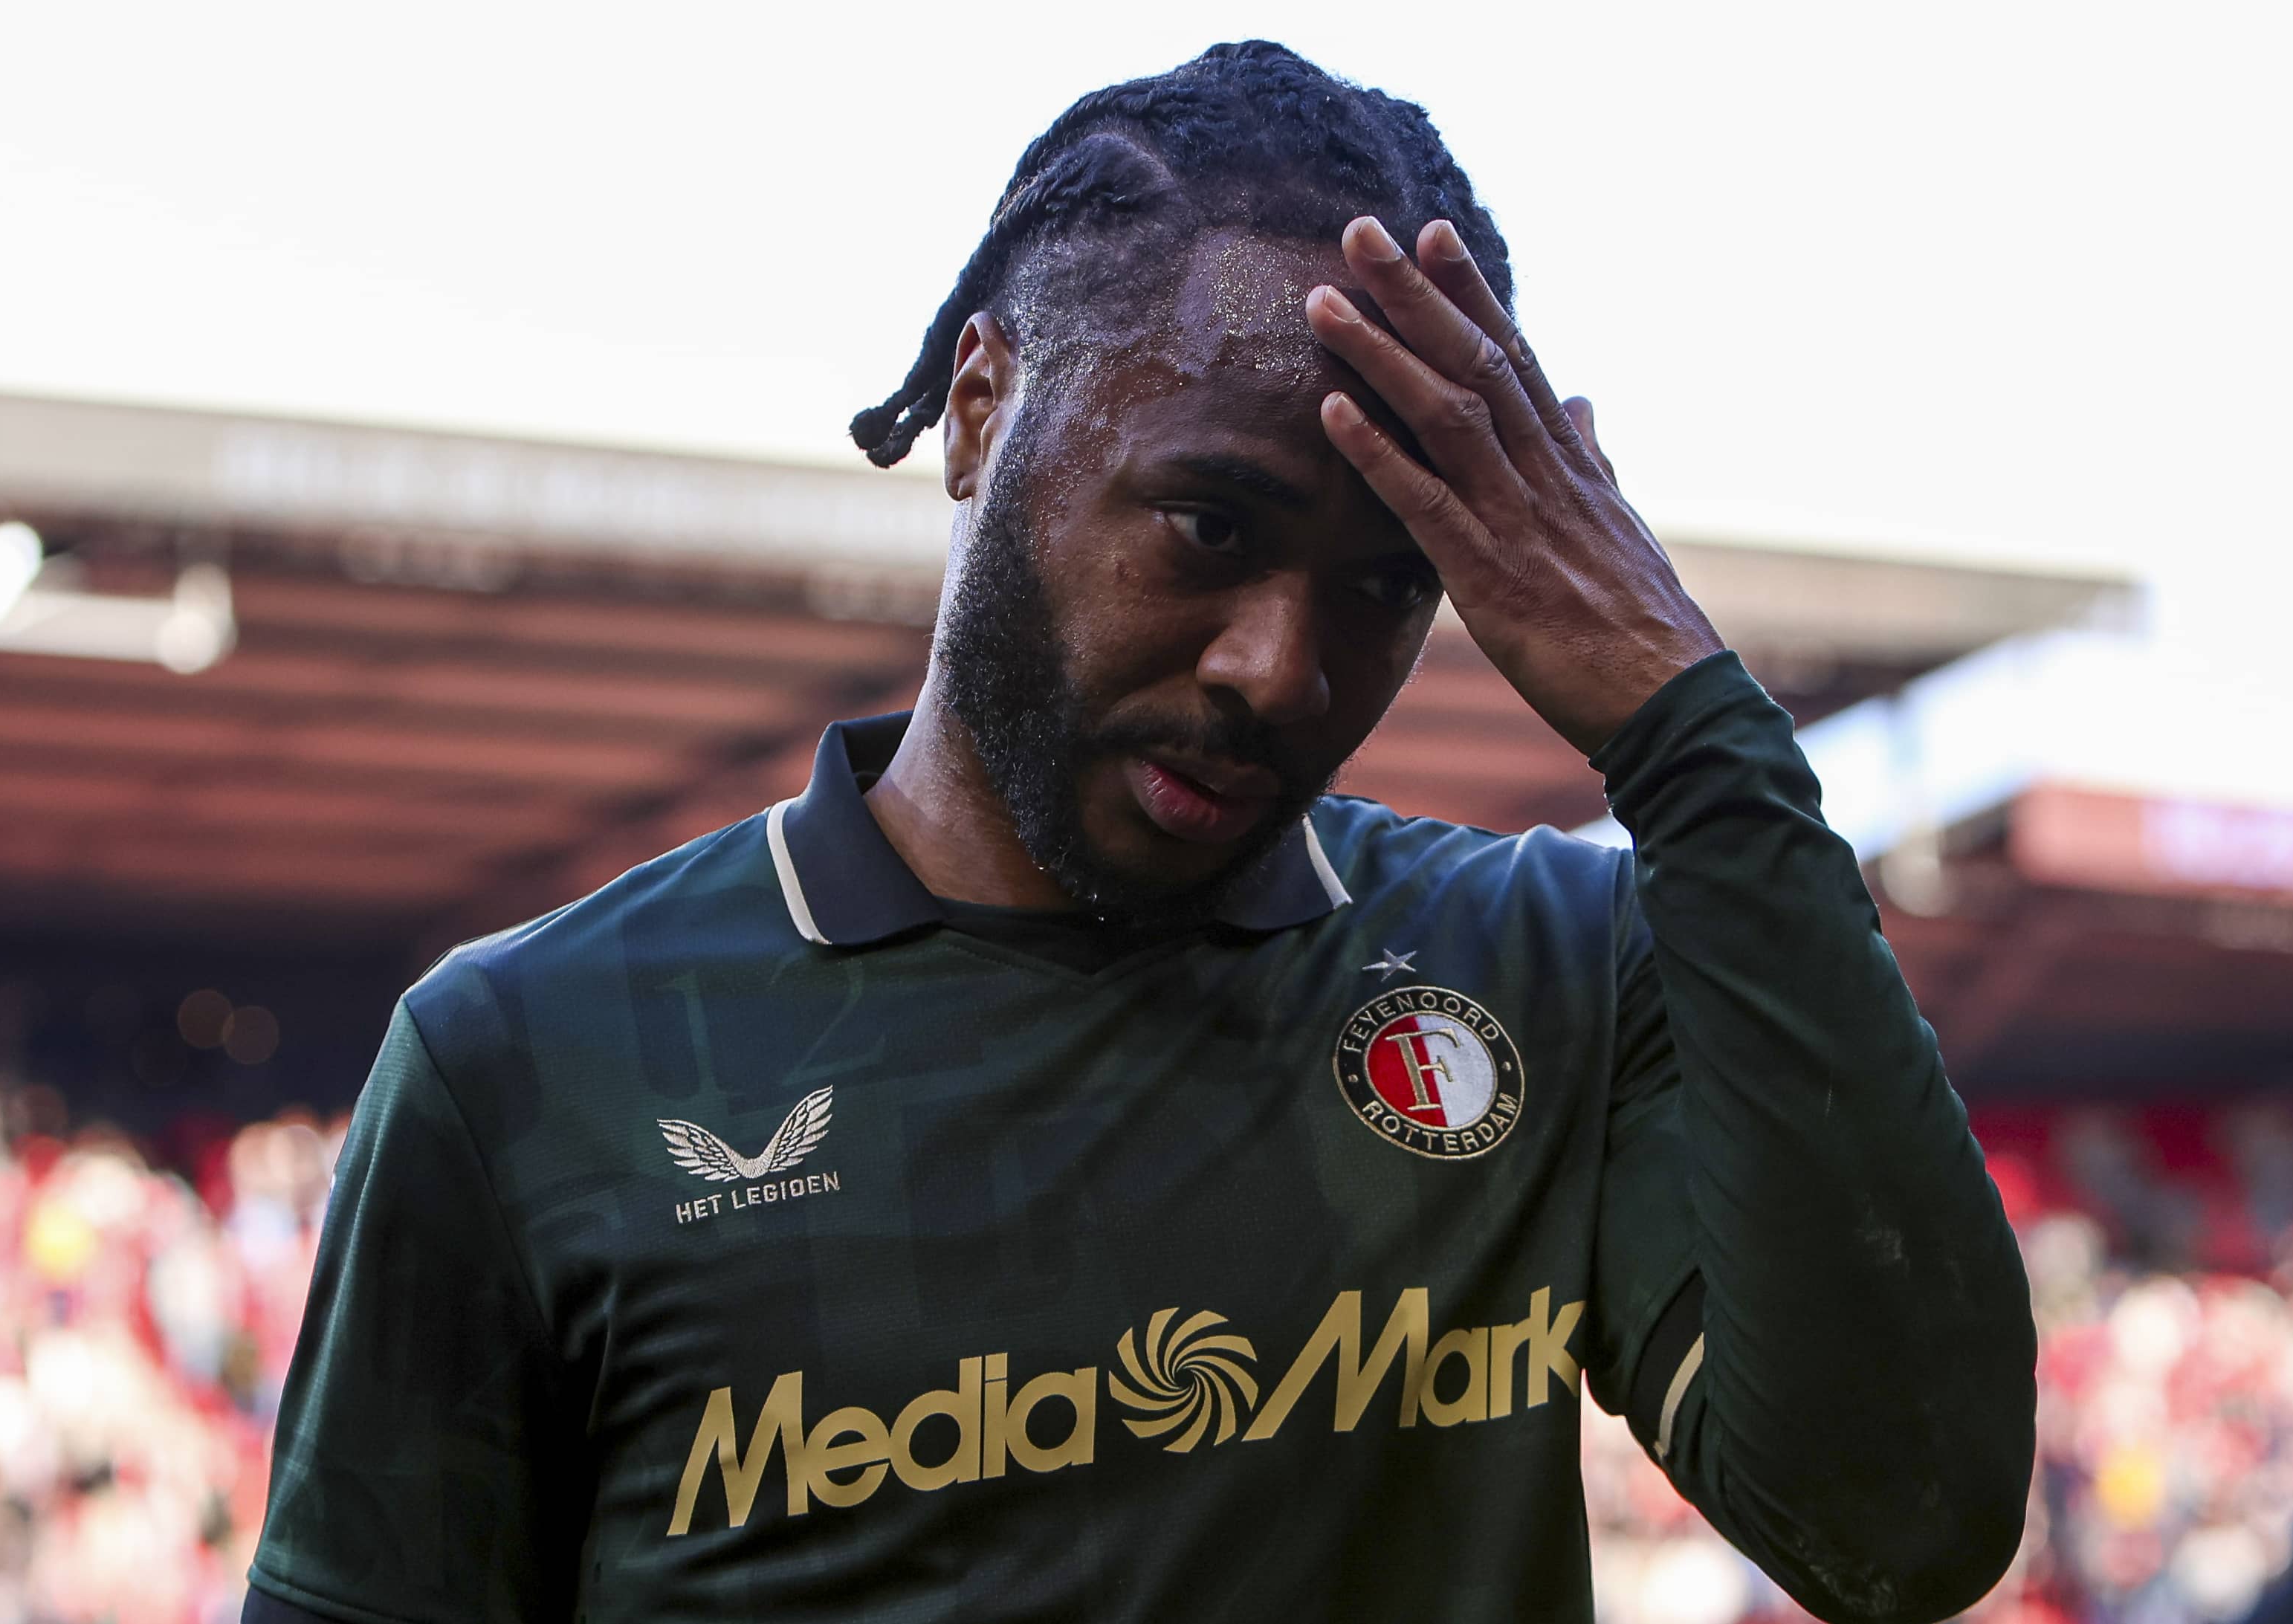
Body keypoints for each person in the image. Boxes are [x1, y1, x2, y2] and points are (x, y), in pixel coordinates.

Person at [242, 40, 2035, 1624]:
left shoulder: (1544, 970)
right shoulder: (525, 1064)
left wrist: (1689, 732)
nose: (1282, 666)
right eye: (1207, 525)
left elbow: (1902, 1531)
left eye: (1386, 585)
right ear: (976, 413)